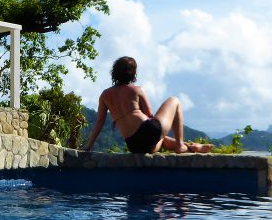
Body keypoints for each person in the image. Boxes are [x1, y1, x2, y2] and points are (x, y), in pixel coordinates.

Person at [84, 56, 214, 154]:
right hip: (149, 131)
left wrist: (88, 146)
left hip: (134, 145)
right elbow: (149, 115)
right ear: (133, 73)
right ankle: (181, 145)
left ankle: (191, 147)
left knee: (161, 140)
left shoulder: (105, 95)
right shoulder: (136, 90)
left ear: (115, 72)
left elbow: (100, 122)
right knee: (175, 101)